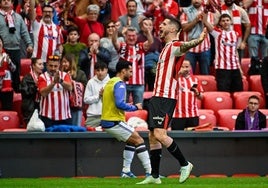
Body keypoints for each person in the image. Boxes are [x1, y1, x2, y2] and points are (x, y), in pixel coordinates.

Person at [137, 16, 207, 184]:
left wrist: (199, 39)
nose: (160, 26)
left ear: (173, 30)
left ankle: (185, 164)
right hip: (157, 96)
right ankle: (154, 176)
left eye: (164, 24)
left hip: (165, 97)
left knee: (161, 134)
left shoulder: (175, 45)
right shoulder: (165, 47)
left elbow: (185, 45)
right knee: (153, 135)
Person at [101, 59, 151, 181]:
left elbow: (111, 101)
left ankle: (126, 171)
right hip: (113, 121)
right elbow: (119, 103)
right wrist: (134, 107)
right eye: (130, 71)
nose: (131, 74)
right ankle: (151, 172)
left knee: (132, 141)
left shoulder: (110, 82)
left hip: (109, 120)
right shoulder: (120, 84)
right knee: (138, 139)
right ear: (123, 71)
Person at [112, 26, 153, 104]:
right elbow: (114, 42)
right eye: (129, 36)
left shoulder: (141, 46)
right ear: (125, 36)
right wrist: (116, 31)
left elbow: (150, 42)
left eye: (133, 36)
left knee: (138, 108)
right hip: (124, 83)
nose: (131, 38)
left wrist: (148, 32)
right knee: (123, 108)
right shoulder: (122, 46)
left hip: (139, 84)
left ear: (136, 36)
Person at [203, 13, 243, 92]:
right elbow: (205, 22)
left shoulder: (236, 34)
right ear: (220, 23)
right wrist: (206, 10)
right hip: (222, 68)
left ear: (231, 22)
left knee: (238, 92)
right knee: (224, 92)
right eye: (223, 21)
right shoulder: (217, 33)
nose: (225, 22)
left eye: (227, 20)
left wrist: (240, 68)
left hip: (235, 68)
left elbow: (235, 52)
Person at [0, 0, 33, 92]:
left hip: (16, 50)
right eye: (3, 0)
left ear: (12, 3)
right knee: (2, 75)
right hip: (2, 51)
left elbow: (24, 32)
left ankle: (16, 98)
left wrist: (29, 44)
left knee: (16, 76)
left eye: (8, 0)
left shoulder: (18, 17)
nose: (6, 1)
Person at [38, 55, 73, 128]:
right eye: (51, 66)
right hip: (47, 116)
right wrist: (53, 83)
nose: (53, 68)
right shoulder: (42, 77)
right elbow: (43, 93)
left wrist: (60, 81)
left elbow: (70, 88)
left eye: (55, 66)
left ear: (59, 66)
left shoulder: (65, 75)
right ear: (47, 65)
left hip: (64, 116)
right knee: (48, 139)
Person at [180, 0, 213, 75]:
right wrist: (196, 20)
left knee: (205, 75)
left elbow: (211, 30)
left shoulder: (208, 12)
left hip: (204, 49)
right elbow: (185, 29)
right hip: (189, 49)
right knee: (188, 74)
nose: (196, 0)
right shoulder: (185, 12)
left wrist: (204, 20)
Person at [171, 60, 203, 130]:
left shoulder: (195, 79)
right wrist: (178, 74)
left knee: (193, 139)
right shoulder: (174, 79)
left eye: (186, 67)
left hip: (193, 115)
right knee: (177, 138)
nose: (185, 69)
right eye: (182, 67)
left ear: (190, 67)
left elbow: (201, 97)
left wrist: (198, 93)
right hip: (177, 115)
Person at [61, 53, 87, 126]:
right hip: (63, 106)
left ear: (71, 62)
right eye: (62, 62)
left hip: (76, 107)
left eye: (65, 62)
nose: (63, 64)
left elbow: (84, 86)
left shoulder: (80, 73)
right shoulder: (60, 74)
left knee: (75, 129)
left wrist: (72, 82)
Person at [137, 16, 163, 91]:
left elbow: (160, 55)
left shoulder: (157, 40)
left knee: (153, 90)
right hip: (141, 68)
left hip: (154, 68)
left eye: (150, 25)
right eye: (146, 24)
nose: (148, 27)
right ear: (141, 27)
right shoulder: (138, 38)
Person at [20, 57, 44, 125]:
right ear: (33, 66)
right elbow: (25, 93)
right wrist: (36, 86)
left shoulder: (43, 77)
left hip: (41, 107)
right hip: (30, 108)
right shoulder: (26, 78)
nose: (42, 66)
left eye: (42, 64)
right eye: (39, 64)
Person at [0, 35, 16, 110]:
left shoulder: (5, 55)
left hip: (7, 87)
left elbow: (14, 69)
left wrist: (9, 63)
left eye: (0, 41)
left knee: (7, 109)